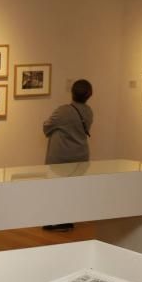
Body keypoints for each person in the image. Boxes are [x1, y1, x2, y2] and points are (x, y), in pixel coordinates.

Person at [42, 78, 94, 231]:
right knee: (72, 190)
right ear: (89, 94)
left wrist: (56, 130)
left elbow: (46, 126)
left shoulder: (63, 111)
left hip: (60, 158)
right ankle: (68, 220)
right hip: (80, 157)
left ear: (72, 92)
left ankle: (57, 221)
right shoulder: (89, 112)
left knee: (56, 190)